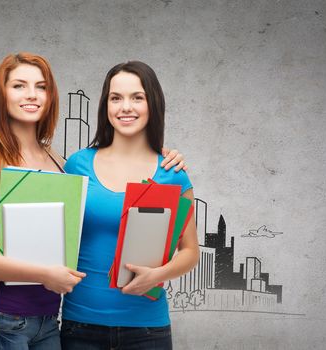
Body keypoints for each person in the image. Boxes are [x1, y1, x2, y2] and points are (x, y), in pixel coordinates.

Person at [0, 53, 187, 349]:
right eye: (19, 86)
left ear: (51, 97)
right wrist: (43, 274)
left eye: (41, 86)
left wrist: (155, 154)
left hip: (50, 322)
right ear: (1, 96)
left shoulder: (63, 165)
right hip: (4, 319)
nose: (31, 95)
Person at [60, 61, 200, 350]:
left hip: (147, 329)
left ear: (153, 104)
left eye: (137, 97)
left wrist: (158, 275)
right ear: (105, 106)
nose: (126, 107)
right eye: (116, 98)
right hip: (80, 326)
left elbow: (190, 251)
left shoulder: (172, 173)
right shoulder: (77, 165)